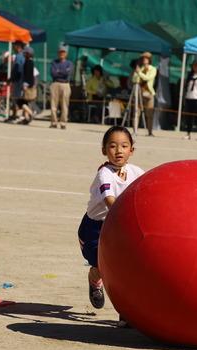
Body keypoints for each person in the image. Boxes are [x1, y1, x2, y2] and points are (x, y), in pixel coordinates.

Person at [78, 126, 145, 311]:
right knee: (104, 268)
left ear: (132, 150)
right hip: (94, 230)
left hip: (119, 226)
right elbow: (110, 201)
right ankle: (94, 277)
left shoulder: (136, 172)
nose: (118, 151)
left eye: (124, 146)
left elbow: (150, 188)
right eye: (113, 146)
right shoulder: (104, 174)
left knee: (124, 270)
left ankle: (126, 313)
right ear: (104, 150)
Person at [131, 52, 157, 136]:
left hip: (149, 94)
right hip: (139, 93)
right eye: (143, 58)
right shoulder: (140, 68)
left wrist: (139, 73)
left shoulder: (153, 69)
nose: (144, 59)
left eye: (146, 58)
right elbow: (134, 79)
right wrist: (137, 72)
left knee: (149, 114)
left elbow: (148, 78)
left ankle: (150, 132)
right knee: (136, 112)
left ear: (149, 60)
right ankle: (135, 131)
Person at [50, 46, 73, 129]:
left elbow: (68, 73)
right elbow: (53, 73)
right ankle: (54, 122)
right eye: (60, 52)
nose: (62, 54)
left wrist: (59, 71)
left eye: (63, 52)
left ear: (66, 53)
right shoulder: (54, 62)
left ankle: (63, 123)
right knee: (53, 104)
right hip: (55, 84)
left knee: (64, 105)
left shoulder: (69, 63)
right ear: (58, 53)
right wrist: (62, 72)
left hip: (65, 84)